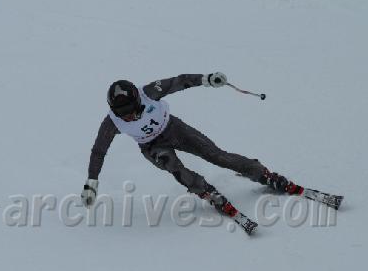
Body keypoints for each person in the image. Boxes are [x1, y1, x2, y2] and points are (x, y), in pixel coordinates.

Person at [80, 73, 302, 216]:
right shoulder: (112, 122)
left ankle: (262, 173)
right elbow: (99, 151)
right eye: (123, 114)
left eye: (130, 110)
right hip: (152, 147)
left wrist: (207, 79)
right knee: (175, 167)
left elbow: (179, 81)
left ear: (138, 100)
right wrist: (92, 182)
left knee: (216, 155)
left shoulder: (149, 92)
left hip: (173, 129)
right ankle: (206, 192)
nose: (128, 117)